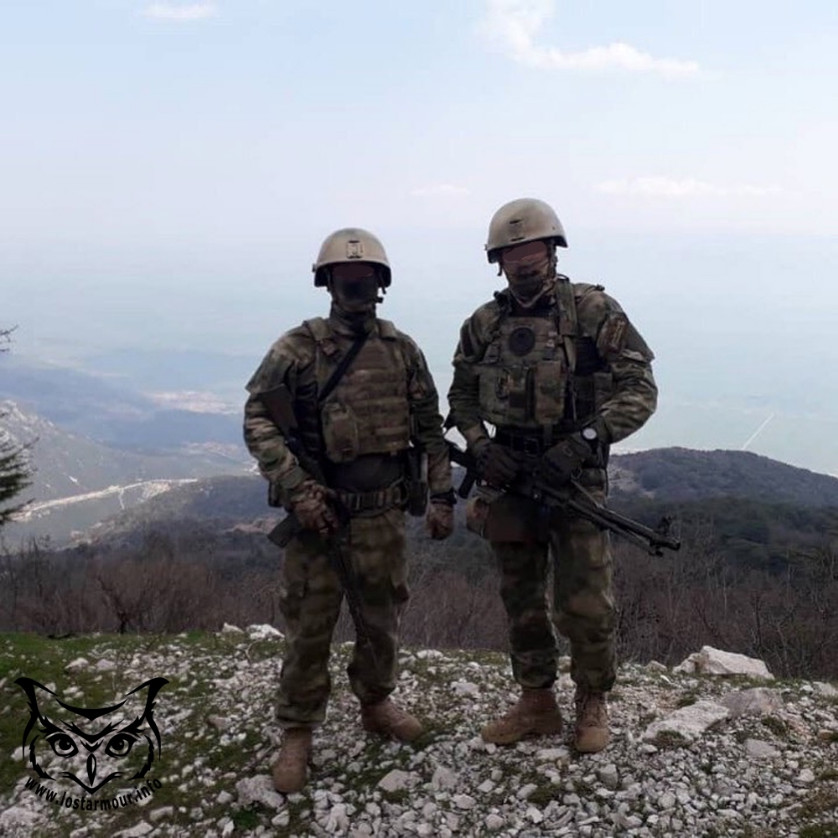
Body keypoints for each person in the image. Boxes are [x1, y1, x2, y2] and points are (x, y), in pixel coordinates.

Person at [244, 228, 455, 793]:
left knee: (380, 618)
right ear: (328, 283)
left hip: (383, 516)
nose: (357, 288)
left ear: (381, 285)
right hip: (319, 517)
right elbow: (258, 418)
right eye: (346, 279)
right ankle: (297, 730)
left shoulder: (403, 350)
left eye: (367, 280)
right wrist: (297, 488)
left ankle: (377, 702)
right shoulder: (297, 349)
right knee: (310, 625)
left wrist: (440, 496)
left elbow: (431, 432)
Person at [447, 198, 657, 753]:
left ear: (553, 249)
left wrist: (586, 440)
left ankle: (592, 700)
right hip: (507, 477)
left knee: (586, 600)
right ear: (498, 259)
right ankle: (536, 702)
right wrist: (480, 446)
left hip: (574, 478)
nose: (524, 260)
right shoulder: (485, 324)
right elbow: (461, 396)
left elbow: (640, 389)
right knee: (520, 597)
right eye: (511, 251)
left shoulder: (593, 312)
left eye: (533, 247)